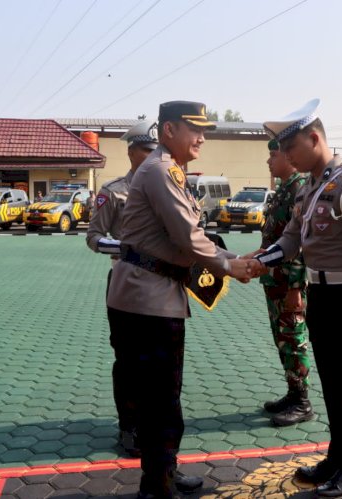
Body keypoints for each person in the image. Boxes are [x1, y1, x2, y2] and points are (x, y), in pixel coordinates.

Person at [105, 101, 255, 499]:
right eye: (194, 129)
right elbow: (188, 236)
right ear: (168, 130)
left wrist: (226, 260)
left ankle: (162, 474)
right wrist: (230, 264)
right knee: (161, 401)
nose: (202, 137)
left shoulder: (164, 169)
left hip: (149, 292)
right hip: (148, 299)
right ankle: (157, 487)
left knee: (160, 400)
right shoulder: (161, 170)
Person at [254, 99, 342, 498]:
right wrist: (259, 261)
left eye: (291, 147)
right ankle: (336, 458)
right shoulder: (311, 188)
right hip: (320, 294)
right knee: (330, 383)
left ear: (314, 138)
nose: (287, 156)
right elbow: (292, 239)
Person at [85, 121, 158, 457]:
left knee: (158, 361)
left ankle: (154, 424)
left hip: (162, 285)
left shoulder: (170, 187)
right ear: (131, 152)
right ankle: (128, 425)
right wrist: (129, 250)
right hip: (126, 282)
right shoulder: (113, 192)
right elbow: (94, 237)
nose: (152, 156)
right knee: (128, 360)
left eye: (156, 150)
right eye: (146, 149)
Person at [256, 138, 312, 427]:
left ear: (289, 158)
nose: (269, 161)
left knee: (293, 339)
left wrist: (294, 287)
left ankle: (302, 401)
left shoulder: (300, 189)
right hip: (274, 277)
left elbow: (300, 243)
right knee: (282, 338)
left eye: (274, 155)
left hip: (289, 281)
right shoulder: (285, 189)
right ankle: (292, 392)